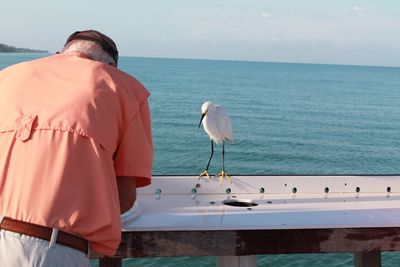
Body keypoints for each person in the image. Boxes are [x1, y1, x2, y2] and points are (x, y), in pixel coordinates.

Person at [0, 30, 153, 266]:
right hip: (50, 250)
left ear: (61, 54)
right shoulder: (123, 88)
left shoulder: (8, 77)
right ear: (110, 66)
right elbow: (124, 198)